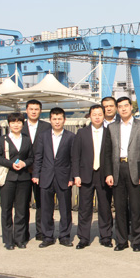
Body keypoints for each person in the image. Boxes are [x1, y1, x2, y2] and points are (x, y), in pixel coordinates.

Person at [104, 97, 140, 252]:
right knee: (120, 208)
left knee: (137, 208)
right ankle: (121, 241)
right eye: (120, 106)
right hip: (118, 169)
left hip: (135, 170)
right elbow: (107, 153)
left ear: (131, 107)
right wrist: (108, 173)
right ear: (117, 109)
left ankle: (137, 241)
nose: (123, 109)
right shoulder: (111, 127)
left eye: (126, 106)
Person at [71, 104, 114, 249]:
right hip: (85, 175)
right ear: (89, 116)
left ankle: (106, 237)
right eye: (94, 114)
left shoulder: (109, 132)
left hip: (103, 175)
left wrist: (110, 174)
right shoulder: (81, 133)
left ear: (104, 116)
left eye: (100, 114)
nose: (97, 117)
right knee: (85, 209)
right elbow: (75, 156)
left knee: (105, 208)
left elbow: (112, 155)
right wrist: (76, 175)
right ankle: (83, 238)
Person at [32, 107, 76, 248]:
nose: (57, 122)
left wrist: (72, 177)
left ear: (64, 120)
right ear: (50, 120)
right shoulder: (43, 136)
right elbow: (38, 156)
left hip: (64, 178)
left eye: (59, 119)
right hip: (46, 177)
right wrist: (36, 174)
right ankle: (47, 236)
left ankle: (64, 236)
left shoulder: (71, 136)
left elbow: (73, 159)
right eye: (54, 119)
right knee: (46, 209)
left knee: (65, 209)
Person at [0, 112, 34, 250]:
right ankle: (8, 240)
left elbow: (31, 157)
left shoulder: (26, 139)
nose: (16, 125)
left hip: (24, 179)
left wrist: (24, 163)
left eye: (19, 122)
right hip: (7, 179)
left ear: (23, 124)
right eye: (13, 122)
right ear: (9, 124)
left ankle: (20, 239)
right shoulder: (2, 140)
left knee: (21, 210)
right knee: (6, 209)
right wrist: (11, 164)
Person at [21, 99, 51, 242]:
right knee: (22, 203)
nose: (33, 112)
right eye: (31, 109)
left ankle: (41, 232)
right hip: (23, 171)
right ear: (26, 110)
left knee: (41, 203)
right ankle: (23, 233)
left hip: (41, 171)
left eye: (36, 109)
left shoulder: (46, 127)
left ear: (40, 111)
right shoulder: (20, 126)